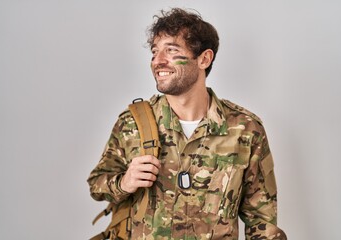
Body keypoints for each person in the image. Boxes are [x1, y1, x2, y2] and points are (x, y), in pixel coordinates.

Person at [88, 8, 287, 240]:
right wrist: (124, 182)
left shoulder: (245, 129)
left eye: (171, 50)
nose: (157, 61)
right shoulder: (132, 122)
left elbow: (262, 221)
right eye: (155, 51)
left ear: (204, 58)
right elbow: (97, 184)